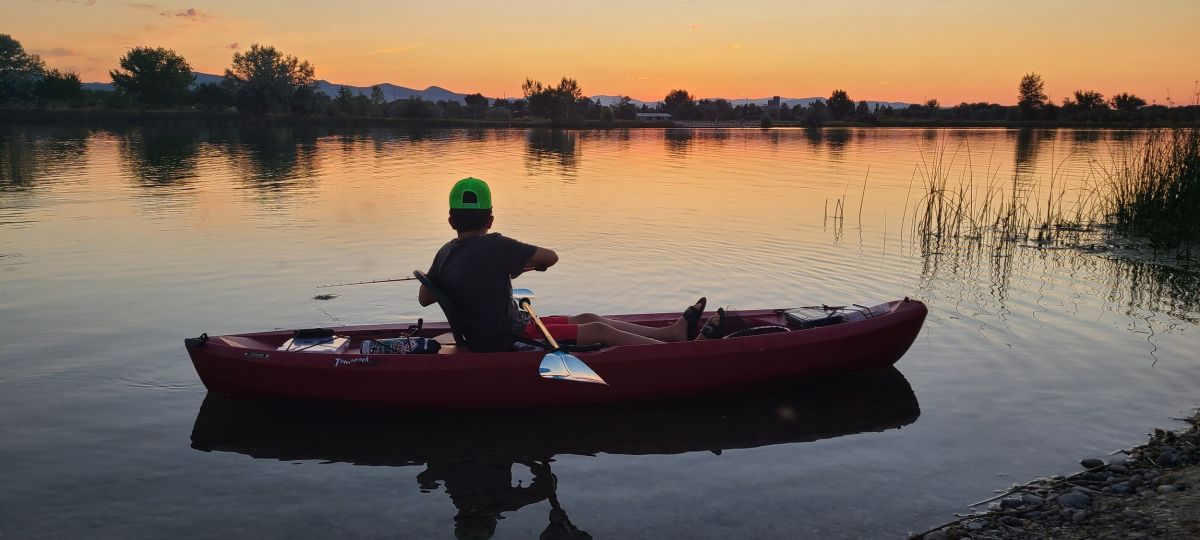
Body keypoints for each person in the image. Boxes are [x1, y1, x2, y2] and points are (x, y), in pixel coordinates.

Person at [418, 177, 709, 353]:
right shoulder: (496, 245)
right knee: (599, 331)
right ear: (490, 220)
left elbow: (425, 297)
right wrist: (519, 263)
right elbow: (550, 257)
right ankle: (681, 354)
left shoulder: (445, 253)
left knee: (586, 317)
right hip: (509, 338)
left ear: (451, 221)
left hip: (505, 329)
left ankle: (671, 334)